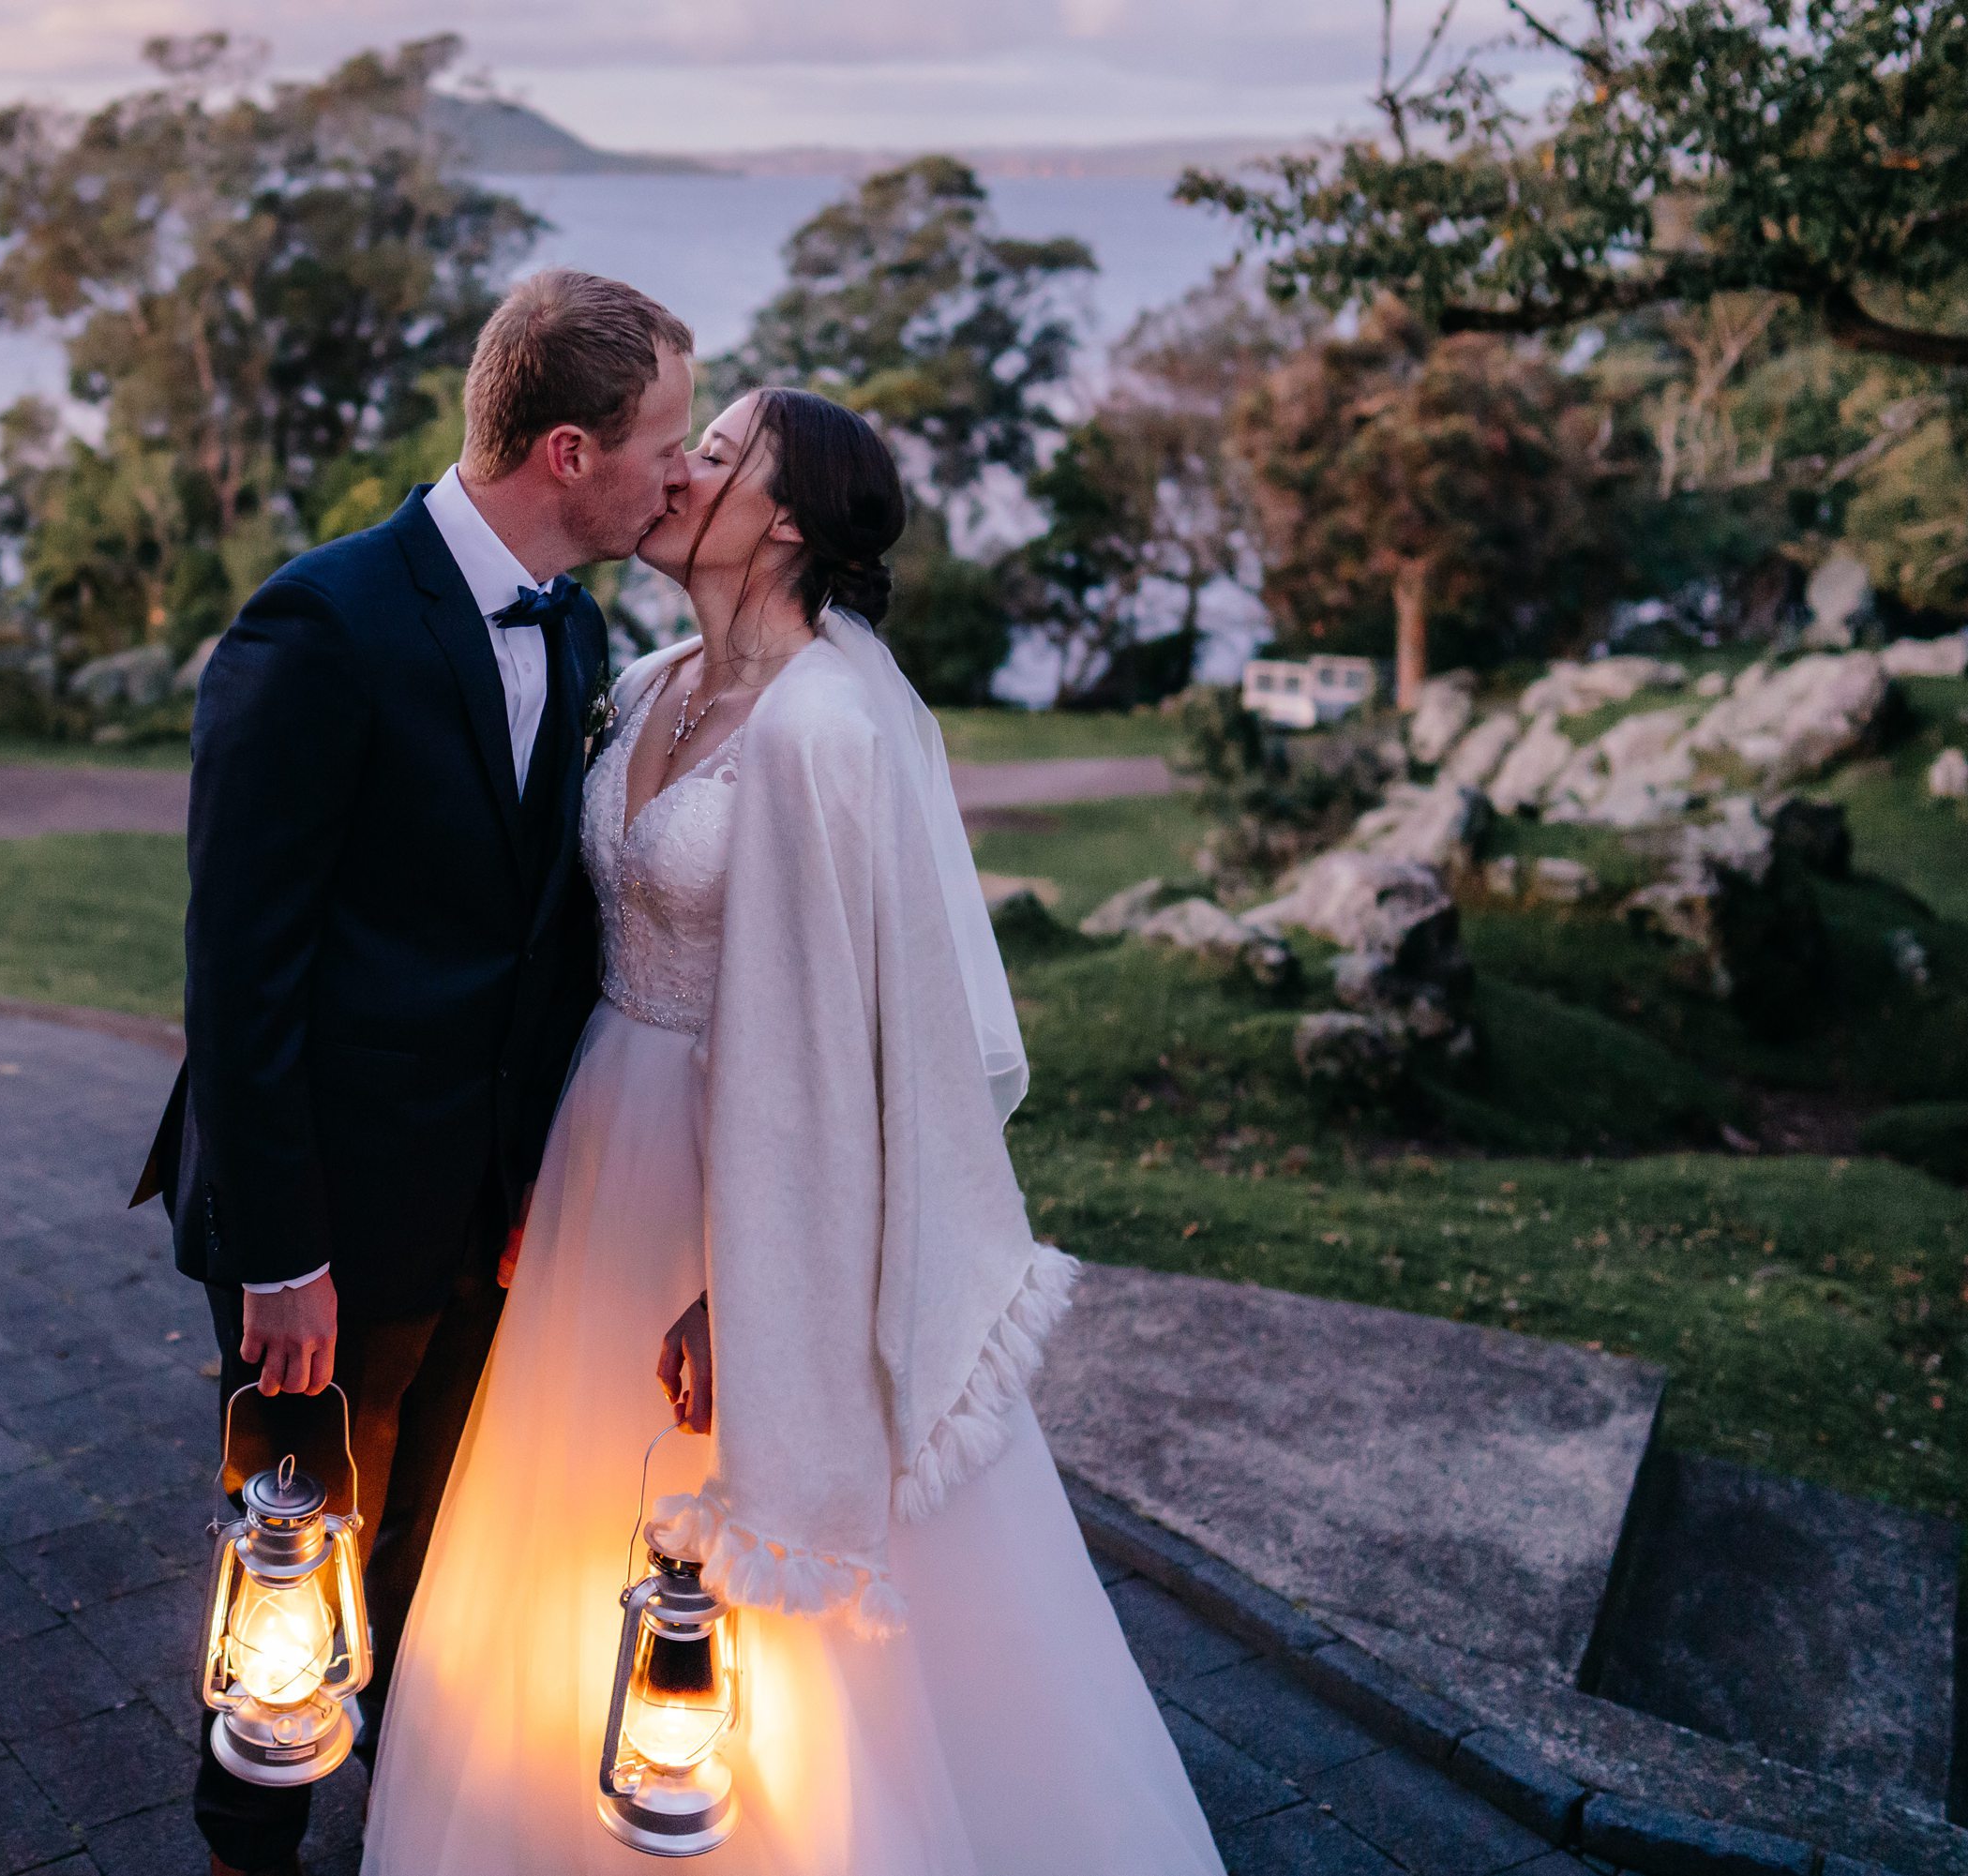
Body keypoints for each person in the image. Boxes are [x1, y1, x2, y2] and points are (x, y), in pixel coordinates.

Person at [359, 388, 1224, 1873]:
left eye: (724, 449)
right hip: (595, 1166)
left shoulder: (829, 725)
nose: (684, 464)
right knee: (565, 1522)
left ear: (793, 521)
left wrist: (749, 1279)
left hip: (747, 1185)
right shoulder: (645, 683)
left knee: (750, 1558)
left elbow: (864, 1046)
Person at [129, 268, 697, 1876]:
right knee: (291, 1552)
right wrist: (283, 1251)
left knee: (435, 1555)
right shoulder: (320, 622)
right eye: (663, 442)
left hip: (484, 1215)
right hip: (322, 1214)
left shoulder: (576, 624)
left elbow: (540, 938)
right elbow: (239, 974)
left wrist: (526, 1190)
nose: (682, 476)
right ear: (571, 451)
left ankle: (418, 1832)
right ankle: (248, 1840)